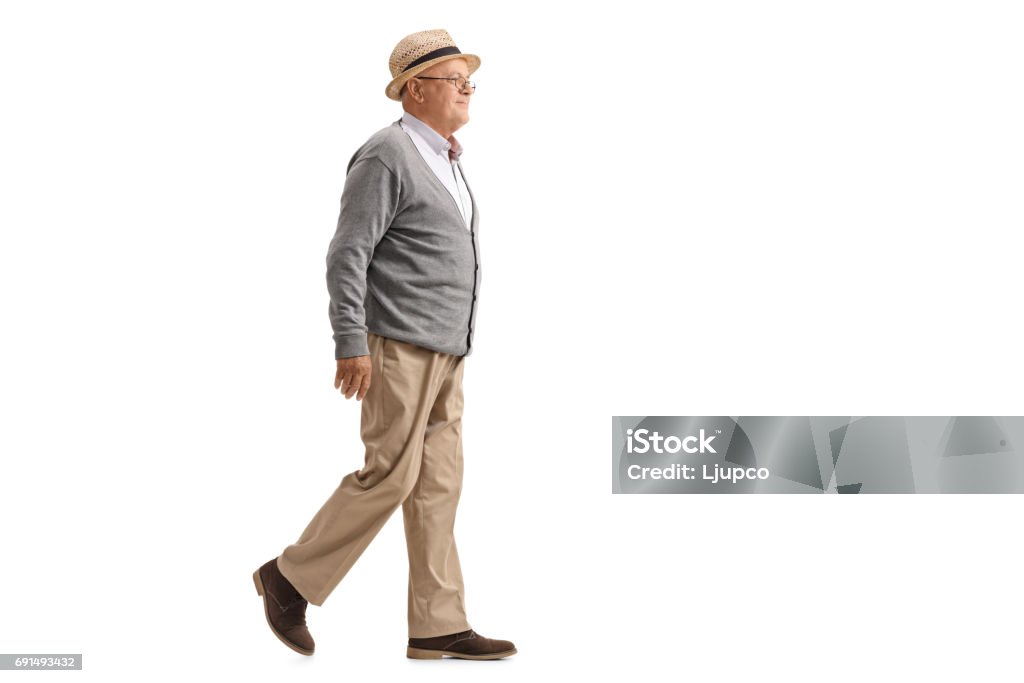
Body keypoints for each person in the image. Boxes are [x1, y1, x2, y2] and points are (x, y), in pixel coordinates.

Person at [251, 28, 516, 661]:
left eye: (469, 81)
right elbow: (349, 253)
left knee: (437, 484)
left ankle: (437, 623)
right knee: (390, 477)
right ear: (415, 89)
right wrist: (351, 340)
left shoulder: (447, 159)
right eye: (456, 80)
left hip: (448, 348)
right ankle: (288, 579)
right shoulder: (387, 155)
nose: (467, 91)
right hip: (396, 343)